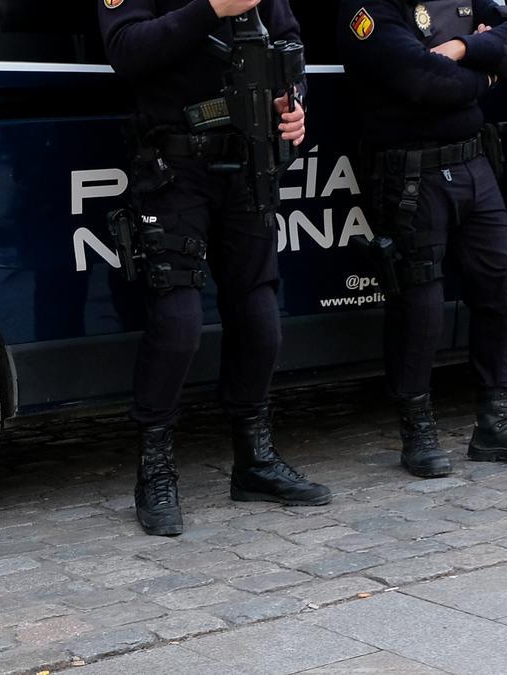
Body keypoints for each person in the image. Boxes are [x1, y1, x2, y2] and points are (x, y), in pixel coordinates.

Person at [98, 0, 332, 537]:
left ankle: (254, 462)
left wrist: (295, 106)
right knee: (177, 323)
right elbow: (126, 52)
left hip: (248, 160)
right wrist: (212, 9)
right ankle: (155, 471)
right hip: (173, 165)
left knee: (260, 318)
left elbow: (289, 43)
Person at [337, 0, 507, 477]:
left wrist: (464, 46)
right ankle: (417, 434)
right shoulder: (367, 9)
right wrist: (487, 76)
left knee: (505, 293)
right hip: (408, 174)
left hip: (471, 162)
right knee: (419, 306)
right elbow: (423, 80)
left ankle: (495, 425)